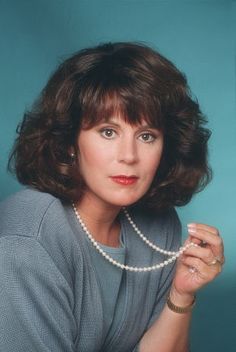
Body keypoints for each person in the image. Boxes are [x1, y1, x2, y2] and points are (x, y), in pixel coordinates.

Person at [0, 42, 224, 352]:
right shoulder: (27, 241)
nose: (129, 156)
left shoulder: (158, 229)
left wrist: (181, 295)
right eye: (108, 131)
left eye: (146, 136)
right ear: (69, 141)